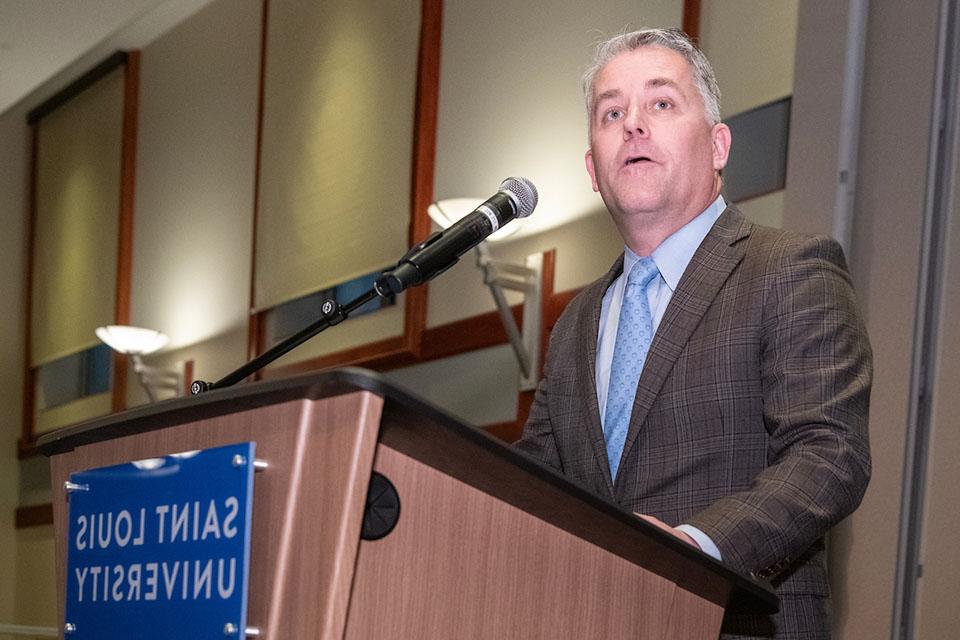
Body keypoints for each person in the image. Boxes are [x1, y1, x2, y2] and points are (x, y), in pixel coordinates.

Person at [514, 28, 872, 639]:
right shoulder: (577, 321)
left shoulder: (788, 269)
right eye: (611, 112)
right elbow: (531, 485)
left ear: (717, 146)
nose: (632, 124)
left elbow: (828, 456)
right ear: (593, 170)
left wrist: (693, 551)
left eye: (660, 103)